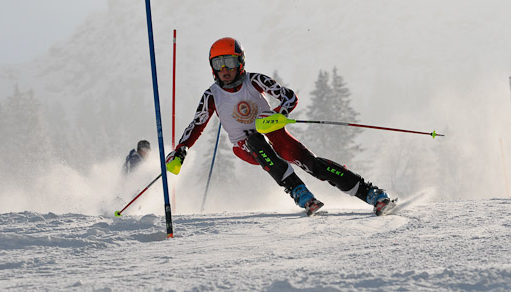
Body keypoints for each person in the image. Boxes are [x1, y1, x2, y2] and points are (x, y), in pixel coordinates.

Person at [166, 37, 392, 216]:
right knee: (255, 141)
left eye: (230, 62)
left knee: (313, 164)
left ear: (241, 62)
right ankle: (299, 191)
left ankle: (371, 194)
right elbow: (197, 124)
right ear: (212, 67)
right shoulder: (212, 95)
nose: (225, 69)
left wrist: (278, 115)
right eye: (218, 63)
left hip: (274, 133)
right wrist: (182, 148)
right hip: (244, 146)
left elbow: (289, 98)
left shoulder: (255, 81)